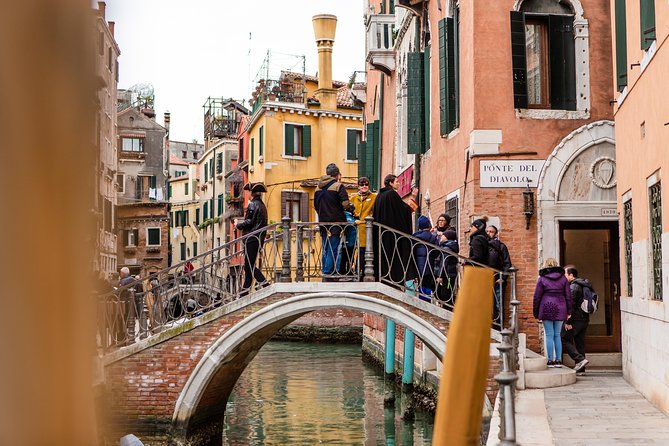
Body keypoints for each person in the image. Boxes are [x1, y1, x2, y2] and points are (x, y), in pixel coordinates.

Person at [372, 174, 417, 284]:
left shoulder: (379, 196)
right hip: (392, 236)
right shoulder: (392, 194)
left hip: (381, 235)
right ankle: (393, 279)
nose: (398, 183)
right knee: (394, 259)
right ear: (391, 183)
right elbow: (404, 210)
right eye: (396, 181)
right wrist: (413, 198)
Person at [315, 163, 354, 280]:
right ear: (337, 175)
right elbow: (345, 204)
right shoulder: (338, 186)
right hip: (336, 223)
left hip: (323, 222)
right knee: (333, 248)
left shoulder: (318, 188)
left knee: (326, 248)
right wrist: (350, 208)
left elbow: (316, 206)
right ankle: (328, 273)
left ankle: (326, 273)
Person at [533, 258, 572, 368]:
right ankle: (559, 360)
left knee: (549, 335)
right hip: (560, 307)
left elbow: (537, 297)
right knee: (557, 335)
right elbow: (568, 296)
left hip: (546, 307)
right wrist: (569, 311)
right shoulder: (563, 279)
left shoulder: (542, 279)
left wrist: (536, 312)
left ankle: (550, 360)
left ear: (546, 265)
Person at [236, 182, 269, 296]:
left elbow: (249, 222)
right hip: (258, 238)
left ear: (252, 193)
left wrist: (238, 225)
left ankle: (265, 284)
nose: (247, 194)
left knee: (249, 265)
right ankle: (244, 292)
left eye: (248, 192)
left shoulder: (253, 205)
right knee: (249, 265)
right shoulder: (262, 206)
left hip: (252, 238)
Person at [562, 265, 592, 374]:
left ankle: (579, 360)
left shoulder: (573, 287)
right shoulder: (584, 284)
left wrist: (568, 321)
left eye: (565, 274)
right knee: (580, 343)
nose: (563, 276)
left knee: (564, 339)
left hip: (576, 319)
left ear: (571, 275)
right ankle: (581, 369)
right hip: (584, 319)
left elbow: (572, 305)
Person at [350, 176, 376, 273]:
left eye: (366, 184)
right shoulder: (353, 198)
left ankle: (360, 272)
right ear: (358, 186)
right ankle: (351, 271)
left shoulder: (373, 197)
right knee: (351, 251)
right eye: (362, 184)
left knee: (364, 252)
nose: (364, 186)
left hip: (366, 229)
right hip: (354, 229)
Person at [412, 215, 442, 299]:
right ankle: (427, 301)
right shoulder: (432, 237)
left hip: (417, 265)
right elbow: (437, 251)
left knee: (420, 284)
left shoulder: (414, 237)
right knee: (427, 284)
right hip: (429, 265)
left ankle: (421, 301)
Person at [487, 225, 513, 321]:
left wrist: (503, 277)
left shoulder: (501, 247)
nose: (488, 233)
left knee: (498, 305)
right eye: (487, 231)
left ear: (496, 234)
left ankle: (498, 328)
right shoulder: (483, 246)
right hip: (485, 279)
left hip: (498, 279)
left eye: (491, 231)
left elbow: (507, 263)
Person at [435, 229, 459, 305]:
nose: (441, 237)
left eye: (443, 235)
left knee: (446, 293)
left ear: (446, 237)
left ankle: (451, 308)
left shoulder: (447, 248)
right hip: (449, 274)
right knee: (446, 292)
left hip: (448, 275)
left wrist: (440, 276)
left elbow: (444, 263)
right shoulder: (449, 247)